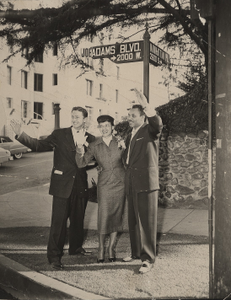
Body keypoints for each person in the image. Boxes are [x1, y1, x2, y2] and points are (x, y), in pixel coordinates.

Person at [10, 106, 95, 270]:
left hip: (80, 185)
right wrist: (20, 134)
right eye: (73, 116)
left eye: (78, 117)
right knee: (59, 222)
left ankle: (76, 248)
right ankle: (54, 257)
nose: (74, 119)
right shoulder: (59, 134)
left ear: (85, 119)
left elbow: (94, 160)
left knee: (78, 220)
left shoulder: (90, 138)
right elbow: (39, 145)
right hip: (61, 185)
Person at [122, 89, 163, 274]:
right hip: (132, 183)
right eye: (128, 115)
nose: (129, 118)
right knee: (133, 221)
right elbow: (129, 160)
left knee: (147, 222)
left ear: (142, 117)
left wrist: (147, 106)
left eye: (133, 115)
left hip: (146, 184)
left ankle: (148, 260)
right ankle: (136, 252)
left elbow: (157, 124)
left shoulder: (149, 130)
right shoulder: (130, 134)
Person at [75, 115, 126, 263]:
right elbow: (81, 163)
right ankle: (101, 248)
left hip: (120, 182)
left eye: (107, 126)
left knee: (116, 215)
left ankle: (111, 248)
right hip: (104, 184)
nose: (104, 129)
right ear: (99, 127)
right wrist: (79, 149)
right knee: (103, 216)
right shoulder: (94, 145)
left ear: (112, 127)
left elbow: (127, 160)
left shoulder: (120, 142)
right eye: (101, 126)